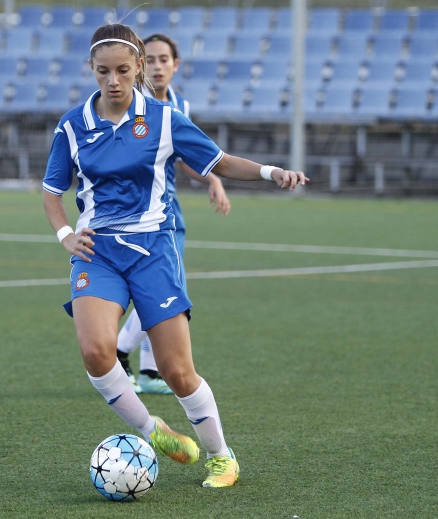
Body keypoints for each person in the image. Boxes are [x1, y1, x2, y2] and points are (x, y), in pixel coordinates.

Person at [42, 23, 307, 488]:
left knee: (177, 371)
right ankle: (153, 430)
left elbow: (219, 161)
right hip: (97, 251)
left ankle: (222, 457)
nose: (113, 81)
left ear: (139, 67)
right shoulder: (72, 124)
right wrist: (66, 232)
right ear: (91, 70)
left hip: (154, 251)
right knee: (95, 350)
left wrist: (270, 171)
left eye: (123, 70)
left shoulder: (164, 118)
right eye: (103, 71)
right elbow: (51, 191)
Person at [117, 33, 231, 395]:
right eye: (149, 60)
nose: (157, 66)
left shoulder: (179, 104)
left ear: (175, 64)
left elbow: (186, 157)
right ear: (139, 67)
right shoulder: (134, 105)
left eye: (164, 59)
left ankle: (150, 372)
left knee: (167, 290)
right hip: (136, 215)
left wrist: (213, 179)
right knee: (165, 290)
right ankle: (120, 350)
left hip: (169, 212)